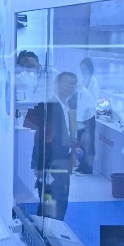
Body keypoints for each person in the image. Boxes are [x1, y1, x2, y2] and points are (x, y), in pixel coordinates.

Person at [31, 71, 83, 220]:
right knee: (51, 202)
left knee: (59, 200)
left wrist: (73, 147)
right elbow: (40, 137)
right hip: (50, 163)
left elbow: (66, 133)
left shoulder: (69, 107)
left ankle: (51, 229)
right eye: (65, 82)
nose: (69, 86)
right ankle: (47, 231)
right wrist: (38, 165)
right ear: (57, 84)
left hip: (63, 161)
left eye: (72, 83)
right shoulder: (50, 106)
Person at [75, 58, 99, 174]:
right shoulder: (82, 79)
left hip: (89, 116)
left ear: (89, 68)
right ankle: (81, 165)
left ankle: (88, 168)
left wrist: (83, 89)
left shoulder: (93, 81)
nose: (82, 70)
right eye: (81, 68)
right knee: (80, 141)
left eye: (84, 68)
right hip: (80, 115)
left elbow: (93, 98)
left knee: (89, 142)